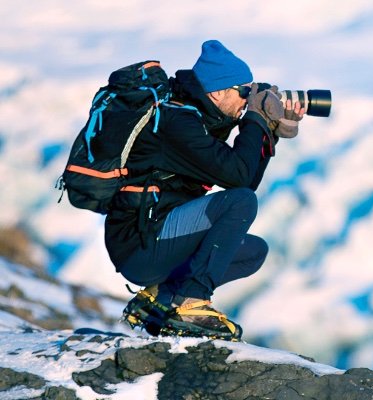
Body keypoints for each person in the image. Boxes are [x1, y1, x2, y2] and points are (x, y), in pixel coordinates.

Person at [104, 40, 304, 340]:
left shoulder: (198, 119)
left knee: (252, 252)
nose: (247, 100)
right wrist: (255, 119)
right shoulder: (177, 122)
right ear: (217, 91)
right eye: (244, 92)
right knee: (240, 203)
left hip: (156, 236)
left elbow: (245, 178)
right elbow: (239, 185)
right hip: (140, 242)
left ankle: (159, 297)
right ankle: (192, 303)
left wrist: (269, 132)